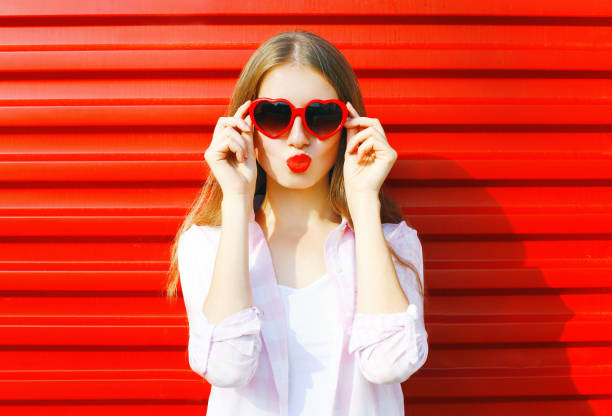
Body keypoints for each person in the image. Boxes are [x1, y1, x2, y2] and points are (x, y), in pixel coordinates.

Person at [165, 30, 428, 416]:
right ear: (246, 125)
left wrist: (364, 200)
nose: (298, 137)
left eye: (321, 117)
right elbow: (226, 367)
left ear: (348, 127)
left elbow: (390, 363)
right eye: (275, 115)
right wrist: (237, 199)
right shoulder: (205, 246)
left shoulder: (392, 245)